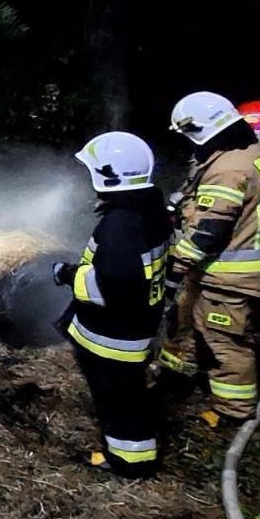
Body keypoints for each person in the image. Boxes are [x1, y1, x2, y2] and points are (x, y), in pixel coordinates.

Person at [160, 91, 260, 426]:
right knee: (184, 318)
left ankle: (233, 411)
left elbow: (209, 230)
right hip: (212, 268)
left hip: (232, 274)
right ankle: (176, 377)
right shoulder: (240, 152)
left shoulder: (230, 169)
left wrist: (175, 267)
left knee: (223, 339)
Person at [52, 131, 171, 476]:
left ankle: (130, 462)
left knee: (117, 398)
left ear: (108, 174)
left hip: (113, 334)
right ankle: (132, 451)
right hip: (138, 325)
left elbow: (113, 285)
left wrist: (67, 275)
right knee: (128, 392)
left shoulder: (122, 225)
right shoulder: (150, 210)